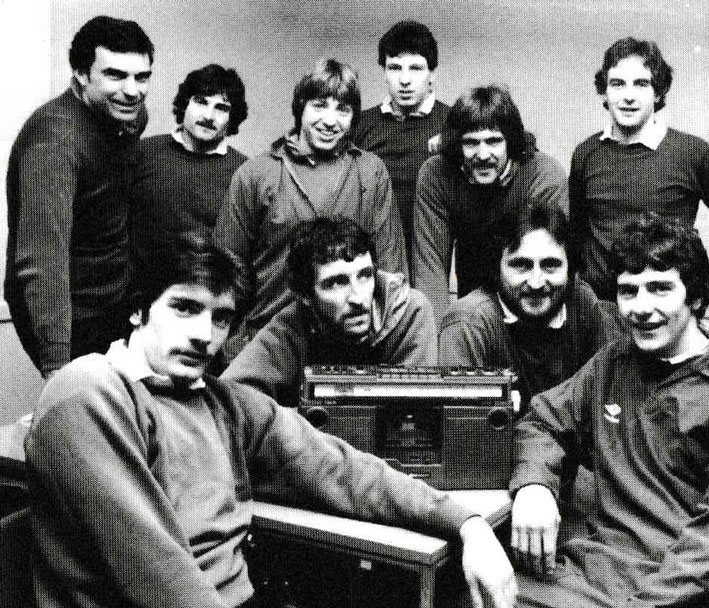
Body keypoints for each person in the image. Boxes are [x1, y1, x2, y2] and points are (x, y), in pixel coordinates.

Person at [23, 230, 515, 608]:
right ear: (137, 311)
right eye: (185, 308)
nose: (203, 335)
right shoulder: (88, 391)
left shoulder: (222, 402)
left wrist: (466, 523)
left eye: (220, 318)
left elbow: (341, 468)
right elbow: (152, 569)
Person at [510, 213, 709, 608]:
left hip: (699, 591)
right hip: (598, 574)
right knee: (484, 587)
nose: (640, 308)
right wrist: (535, 487)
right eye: (629, 291)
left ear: (695, 296)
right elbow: (543, 422)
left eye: (660, 289)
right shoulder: (612, 365)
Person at [214, 58, 406, 362]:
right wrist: (233, 346)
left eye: (342, 109)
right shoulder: (255, 175)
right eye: (319, 105)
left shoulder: (370, 172)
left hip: (349, 348)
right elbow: (226, 269)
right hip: (269, 340)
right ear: (300, 107)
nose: (330, 121)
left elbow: (390, 270)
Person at [5, 15, 153, 377]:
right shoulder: (53, 144)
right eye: (115, 75)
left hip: (116, 298)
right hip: (69, 311)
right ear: (81, 75)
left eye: (142, 76)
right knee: (85, 418)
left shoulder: (128, 115)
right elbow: (42, 259)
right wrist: (56, 363)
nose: (132, 90)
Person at [569, 37, 709, 301]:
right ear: (604, 92)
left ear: (659, 92)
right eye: (617, 84)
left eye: (641, 84)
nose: (629, 96)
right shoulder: (586, 154)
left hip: (666, 314)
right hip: (599, 319)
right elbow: (575, 236)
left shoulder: (692, 152)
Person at [224, 217, 436, 409]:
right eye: (336, 283)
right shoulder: (291, 325)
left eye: (365, 275)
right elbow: (227, 402)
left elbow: (411, 416)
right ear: (304, 295)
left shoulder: (410, 312)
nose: (358, 298)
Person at [438, 202, 622, 414]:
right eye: (521, 265)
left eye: (550, 265)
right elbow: (461, 429)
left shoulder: (582, 303)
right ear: (496, 269)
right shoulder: (469, 323)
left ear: (571, 269)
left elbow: (610, 404)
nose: (536, 282)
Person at [412, 84, 567, 322]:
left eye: (494, 141)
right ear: (456, 144)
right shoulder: (437, 174)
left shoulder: (543, 173)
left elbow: (549, 269)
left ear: (512, 142)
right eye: (471, 142)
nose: (483, 155)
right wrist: (440, 340)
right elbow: (429, 268)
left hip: (531, 301)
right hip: (470, 306)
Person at [133, 64, 249, 272]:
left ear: (233, 118)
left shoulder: (244, 172)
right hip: (140, 291)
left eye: (221, 108)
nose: (209, 116)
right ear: (184, 104)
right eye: (201, 102)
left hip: (207, 293)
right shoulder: (142, 153)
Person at [355, 20, 448, 260]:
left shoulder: (454, 122)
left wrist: (456, 141)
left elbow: (514, 141)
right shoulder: (360, 123)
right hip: (369, 256)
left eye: (415, 68)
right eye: (395, 68)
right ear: (384, 72)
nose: (404, 80)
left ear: (432, 74)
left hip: (430, 257)